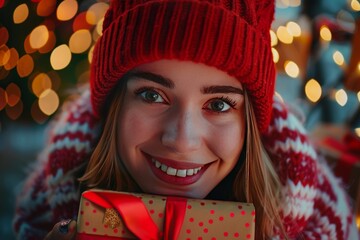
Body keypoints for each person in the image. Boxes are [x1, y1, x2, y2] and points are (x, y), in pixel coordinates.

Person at [13, 0, 358, 239]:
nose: (182, 139)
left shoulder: (325, 225)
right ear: (114, 106)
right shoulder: (44, 211)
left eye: (220, 104)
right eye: (152, 95)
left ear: (249, 121)